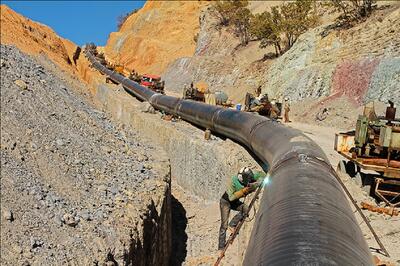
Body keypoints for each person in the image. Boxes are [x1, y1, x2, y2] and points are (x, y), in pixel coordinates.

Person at [218, 167, 264, 252]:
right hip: (226, 202)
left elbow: (262, 175)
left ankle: (232, 225)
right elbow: (231, 197)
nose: (250, 180)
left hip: (235, 201)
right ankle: (221, 247)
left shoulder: (250, 176)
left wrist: (259, 182)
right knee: (224, 224)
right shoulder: (233, 180)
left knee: (245, 209)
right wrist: (243, 191)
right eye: (249, 179)